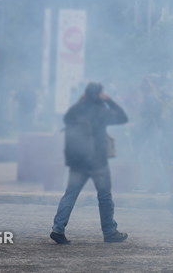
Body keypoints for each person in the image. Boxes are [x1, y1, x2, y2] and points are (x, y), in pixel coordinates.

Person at [50, 82, 129, 245]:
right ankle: (109, 232)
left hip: (77, 160)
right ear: (99, 95)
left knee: (70, 193)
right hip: (97, 161)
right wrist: (110, 101)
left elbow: (66, 119)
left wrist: (81, 102)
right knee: (105, 196)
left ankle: (57, 229)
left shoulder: (76, 110)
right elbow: (123, 118)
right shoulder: (102, 111)